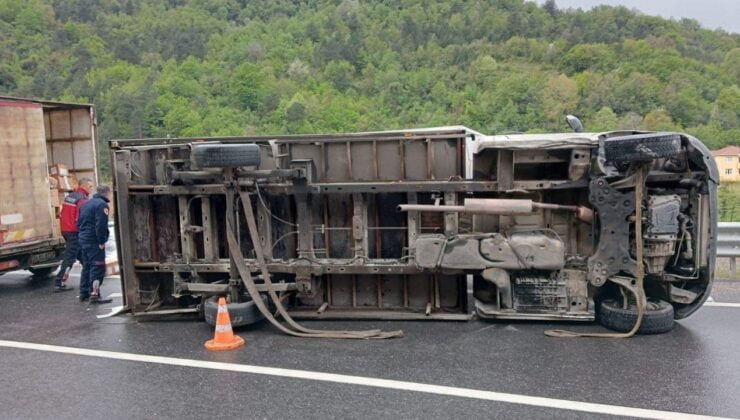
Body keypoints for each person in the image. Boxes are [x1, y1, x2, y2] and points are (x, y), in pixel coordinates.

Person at [54, 177, 94, 292]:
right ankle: (59, 282)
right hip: (74, 232)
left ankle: (91, 276)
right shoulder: (82, 200)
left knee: (82, 255)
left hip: (66, 230)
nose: (91, 189)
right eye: (90, 186)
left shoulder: (70, 196)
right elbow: (81, 218)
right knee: (70, 258)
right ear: (84, 186)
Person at [77, 184, 112, 303]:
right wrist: (101, 241)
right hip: (94, 241)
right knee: (97, 267)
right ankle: (95, 294)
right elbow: (101, 225)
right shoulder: (102, 205)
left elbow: (79, 222)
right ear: (107, 193)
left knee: (86, 266)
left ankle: (84, 293)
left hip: (83, 239)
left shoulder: (85, 204)